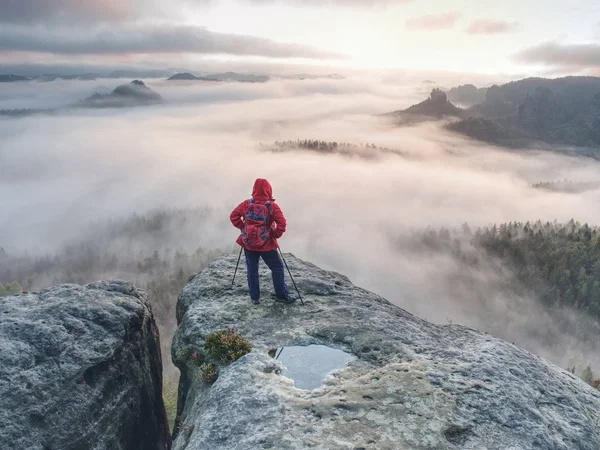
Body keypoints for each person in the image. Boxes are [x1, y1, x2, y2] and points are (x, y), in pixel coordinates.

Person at [230, 178, 296, 305]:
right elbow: (282, 224)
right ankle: (281, 295)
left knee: (252, 269)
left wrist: (243, 228)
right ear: (268, 190)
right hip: (267, 245)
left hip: (248, 243)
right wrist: (274, 235)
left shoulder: (246, 204)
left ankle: (254, 297)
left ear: (254, 190)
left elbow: (233, 216)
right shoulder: (272, 206)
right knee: (277, 267)